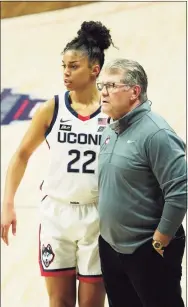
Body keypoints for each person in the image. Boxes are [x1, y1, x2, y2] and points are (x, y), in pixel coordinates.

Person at [1, 21, 115, 307]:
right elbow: (21, 155)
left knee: (91, 304)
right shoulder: (52, 108)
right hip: (57, 216)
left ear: (95, 69)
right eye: (63, 65)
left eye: (74, 66)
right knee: (60, 302)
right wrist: (8, 204)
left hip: (98, 217)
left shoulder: (113, 111)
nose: (66, 72)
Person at [96, 58, 187, 307]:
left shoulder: (157, 134)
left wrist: (160, 241)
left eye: (111, 85)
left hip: (148, 250)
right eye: (101, 85)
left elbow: (180, 192)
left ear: (134, 91)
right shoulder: (110, 130)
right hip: (111, 248)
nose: (103, 92)